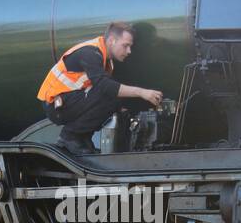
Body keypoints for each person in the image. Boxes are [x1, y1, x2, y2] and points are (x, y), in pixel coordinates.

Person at [36, 22, 163, 155]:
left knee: (114, 99)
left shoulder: (105, 58)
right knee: (109, 94)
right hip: (55, 105)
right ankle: (69, 137)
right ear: (112, 41)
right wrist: (142, 92)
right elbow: (104, 86)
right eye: (125, 46)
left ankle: (82, 139)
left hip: (67, 102)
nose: (129, 51)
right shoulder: (90, 53)